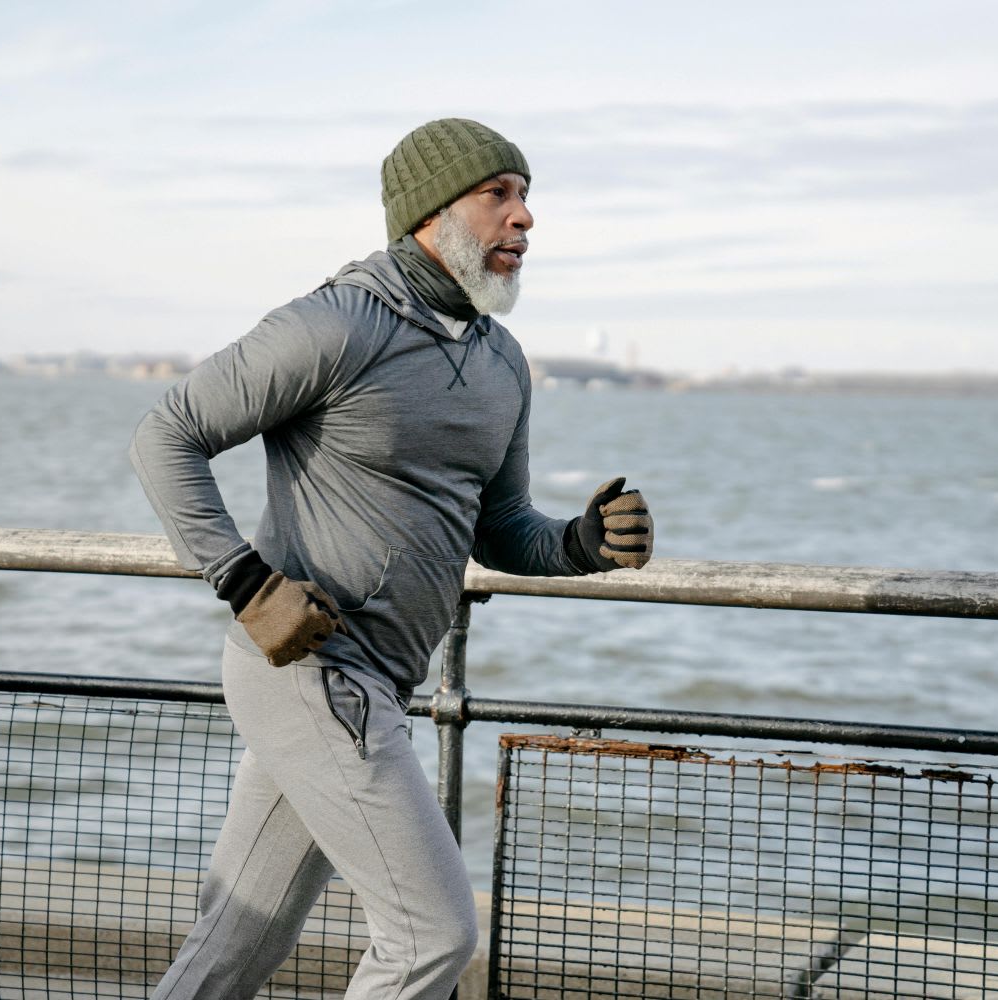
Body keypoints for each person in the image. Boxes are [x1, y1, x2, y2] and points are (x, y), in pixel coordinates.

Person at [129, 117, 654, 999]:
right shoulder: (336, 325)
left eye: (527, 197)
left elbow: (502, 526)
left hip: (375, 686)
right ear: (429, 213)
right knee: (432, 939)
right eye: (500, 194)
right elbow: (166, 434)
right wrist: (245, 580)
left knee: (228, 955)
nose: (524, 219)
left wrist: (581, 545)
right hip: (311, 671)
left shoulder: (504, 363)